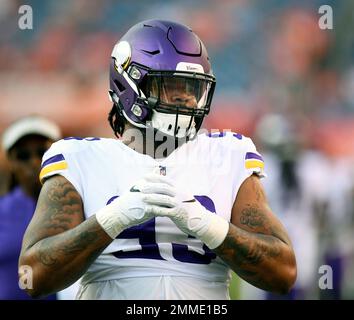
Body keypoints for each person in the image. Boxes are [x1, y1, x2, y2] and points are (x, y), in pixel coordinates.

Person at [19, 20, 297, 300]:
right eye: (171, 87)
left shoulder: (226, 155)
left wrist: (206, 224)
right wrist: (112, 219)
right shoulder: (80, 158)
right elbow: (32, 277)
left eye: (193, 90)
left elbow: (283, 274)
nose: (186, 101)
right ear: (128, 86)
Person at [0, 115, 60, 300]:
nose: (34, 163)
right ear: (10, 161)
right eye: (23, 156)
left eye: (42, 152)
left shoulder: (81, 207)